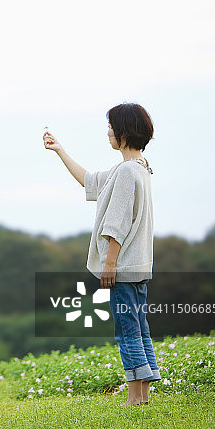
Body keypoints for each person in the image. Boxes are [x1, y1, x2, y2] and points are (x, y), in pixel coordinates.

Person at [43, 103, 160, 407]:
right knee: (139, 328)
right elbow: (89, 180)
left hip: (122, 267)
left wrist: (110, 263)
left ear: (123, 132)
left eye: (111, 127)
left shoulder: (125, 172)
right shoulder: (140, 167)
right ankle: (143, 394)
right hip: (139, 266)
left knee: (127, 331)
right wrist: (60, 151)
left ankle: (134, 397)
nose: (108, 132)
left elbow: (116, 223)